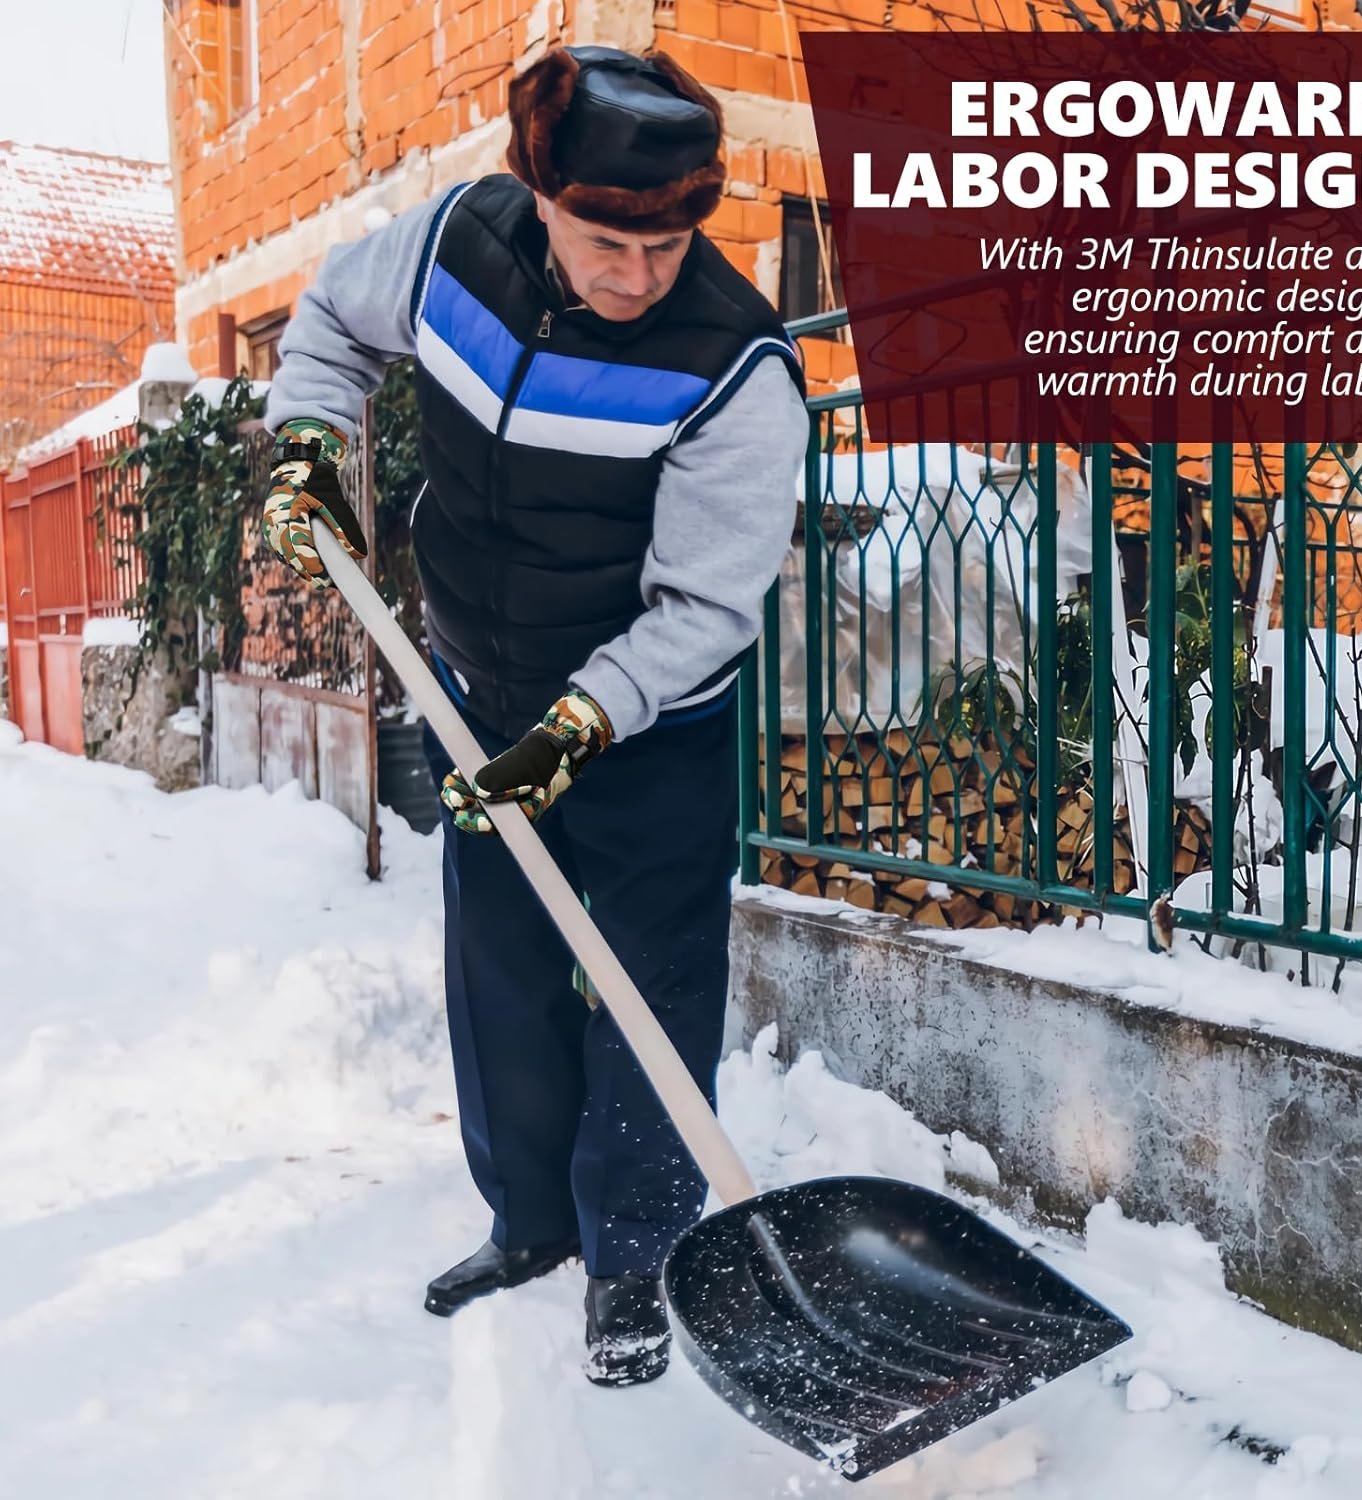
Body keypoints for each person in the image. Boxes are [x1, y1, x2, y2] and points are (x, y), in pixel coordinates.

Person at [259, 43, 808, 1387]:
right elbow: (329, 325)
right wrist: (312, 447)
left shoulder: (737, 363)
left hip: (648, 726)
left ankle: (636, 1261)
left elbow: (703, 608)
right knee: (500, 964)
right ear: (537, 199)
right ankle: (528, 1227)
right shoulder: (454, 246)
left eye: (668, 247)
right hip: (474, 685)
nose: (636, 277)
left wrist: (576, 730)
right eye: (605, 245)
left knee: (645, 988)